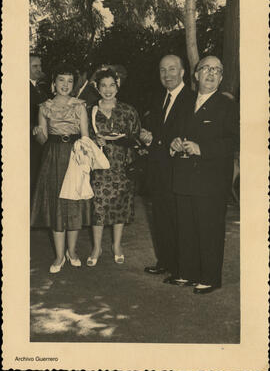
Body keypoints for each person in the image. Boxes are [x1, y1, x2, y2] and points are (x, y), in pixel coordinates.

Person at [171, 55, 239, 294]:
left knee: (209, 228)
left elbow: (232, 141)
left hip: (211, 178)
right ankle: (187, 273)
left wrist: (203, 149)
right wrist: (175, 142)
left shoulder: (227, 105)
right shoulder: (185, 102)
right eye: (206, 69)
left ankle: (210, 278)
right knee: (187, 226)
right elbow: (176, 131)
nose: (211, 73)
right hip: (185, 175)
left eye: (217, 70)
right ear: (196, 75)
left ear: (220, 78)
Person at [31, 63, 92, 273]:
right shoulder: (44, 106)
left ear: (73, 85)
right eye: (61, 80)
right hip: (53, 156)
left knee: (73, 203)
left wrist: (85, 162)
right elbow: (42, 140)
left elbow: (85, 136)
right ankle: (59, 256)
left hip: (75, 155)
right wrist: (38, 132)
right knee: (57, 204)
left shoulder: (80, 105)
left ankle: (72, 252)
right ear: (53, 83)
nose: (65, 85)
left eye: (69, 81)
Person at [140, 55, 193, 280]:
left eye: (172, 69)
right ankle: (166, 261)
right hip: (159, 168)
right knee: (161, 217)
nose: (167, 75)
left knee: (179, 219)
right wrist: (145, 136)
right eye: (163, 70)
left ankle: (182, 268)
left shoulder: (191, 98)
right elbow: (156, 130)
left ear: (182, 72)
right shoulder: (159, 98)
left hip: (180, 170)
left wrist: (156, 139)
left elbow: (184, 132)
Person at [87, 68, 141, 266]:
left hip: (122, 164)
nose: (108, 90)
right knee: (98, 207)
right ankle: (96, 247)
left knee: (120, 204)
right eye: (103, 85)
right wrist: (96, 139)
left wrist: (124, 139)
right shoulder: (90, 110)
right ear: (97, 87)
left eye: (112, 85)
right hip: (98, 166)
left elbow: (136, 137)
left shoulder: (128, 110)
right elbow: (83, 137)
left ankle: (117, 245)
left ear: (117, 86)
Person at [30, 54, 47, 201]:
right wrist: (32, 128)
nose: (39, 69)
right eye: (35, 66)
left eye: (40, 66)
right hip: (29, 141)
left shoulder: (40, 88)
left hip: (40, 140)